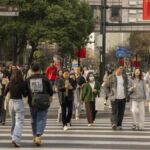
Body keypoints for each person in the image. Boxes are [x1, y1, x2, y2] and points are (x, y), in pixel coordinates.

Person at [26, 63, 53, 146]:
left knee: (33, 119)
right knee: (41, 118)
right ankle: (38, 135)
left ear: (31, 70)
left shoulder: (28, 79)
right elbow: (50, 91)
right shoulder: (44, 78)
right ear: (40, 70)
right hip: (43, 101)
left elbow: (25, 92)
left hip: (32, 102)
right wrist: (50, 98)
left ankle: (34, 135)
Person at [4, 70, 27, 147]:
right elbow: (24, 94)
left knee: (13, 121)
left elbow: (5, 92)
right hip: (18, 102)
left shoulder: (9, 83)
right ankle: (15, 138)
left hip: (11, 102)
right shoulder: (22, 83)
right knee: (19, 122)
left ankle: (12, 136)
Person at [103, 66, 128, 130]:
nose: (121, 70)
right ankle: (114, 123)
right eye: (120, 68)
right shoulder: (111, 77)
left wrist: (128, 93)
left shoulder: (124, 77)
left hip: (123, 97)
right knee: (114, 111)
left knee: (121, 112)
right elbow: (105, 86)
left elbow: (126, 86)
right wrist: (109, 94)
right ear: (116, 69)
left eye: (122, 69)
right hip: (114, 97)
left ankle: (119, 124)